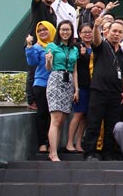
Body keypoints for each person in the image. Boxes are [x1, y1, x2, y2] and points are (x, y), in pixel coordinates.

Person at [82, 18, 123, 161]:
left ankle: (108, 153)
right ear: (107, 32)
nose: (116, 34)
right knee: (94, 123)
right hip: (99, 91)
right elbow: (96, 40)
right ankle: (90, 152)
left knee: (111, 126)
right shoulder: (102, 46)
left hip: (115, 94)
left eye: (119, 32)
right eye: (114, 31)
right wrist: (96, 26)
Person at [26, 0, 58, 111]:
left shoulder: (53, 11)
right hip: (35, 45)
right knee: (33, 70)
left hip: (49, 47)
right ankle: (31, 100)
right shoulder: (38, 6)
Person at [44, 20, 79, 162]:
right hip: (56, 79)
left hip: (69, 81)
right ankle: (53, 153)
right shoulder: (51, 46)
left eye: (68, 30)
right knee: (56, 119)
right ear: (58, 31)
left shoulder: (74, 49)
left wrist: (77, 89)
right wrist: (48, 60)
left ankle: (54, 149)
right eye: (63, 29)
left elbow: (75, 70)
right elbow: (48, 68)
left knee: (63, 119)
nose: (65, 32)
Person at [24, 21, 56, 153]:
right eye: (39, 30)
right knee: (42, 114)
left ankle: (52, 143)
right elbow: (32, 62)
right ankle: (43, 143)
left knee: (54, 115)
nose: (42, 32)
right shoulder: (37, 47)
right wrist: (29, 46)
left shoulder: (57, 46)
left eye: (45, 29)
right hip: (41, 84)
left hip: (56, 84)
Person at [65, 23, 93, 153]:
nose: (88, 34)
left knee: (85, 116)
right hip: (81, 86)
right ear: (79, 34)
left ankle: (78, 143)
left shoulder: (95, 47)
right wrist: (76, 89)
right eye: (84, 32)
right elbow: (74, 68)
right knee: (78, 114)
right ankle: (69, 142)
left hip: (92, 86)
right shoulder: (77, 47)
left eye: (90, 31)